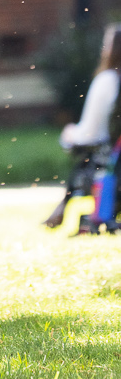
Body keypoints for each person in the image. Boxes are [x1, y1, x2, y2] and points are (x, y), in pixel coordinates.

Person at [44, 24, 121, 229]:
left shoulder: (107, 80)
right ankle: (62, 208)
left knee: (83, 153)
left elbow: (91, 132)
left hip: (108, 157)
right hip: (114, 152)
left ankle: (63, 207)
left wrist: (70, 134)